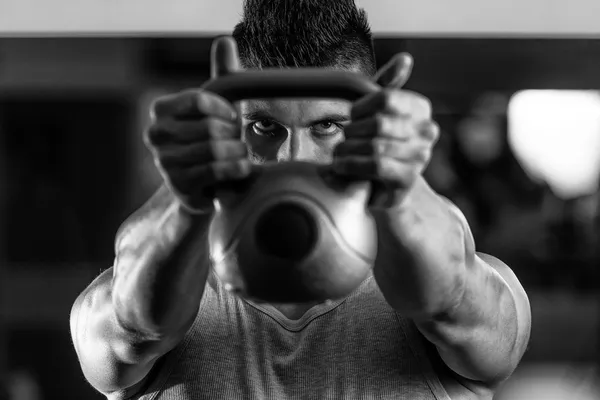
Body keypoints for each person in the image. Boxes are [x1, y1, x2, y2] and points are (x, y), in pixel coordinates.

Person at [70, 1, 531, 399]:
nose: (293, 158)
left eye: (326, 126)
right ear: (232, 125)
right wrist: (188, 197)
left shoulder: (458, 279)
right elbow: (133, 327)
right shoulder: (157, 272)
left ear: (370, 123)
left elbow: (451, 301)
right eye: (266, 127)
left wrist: (401, 189)